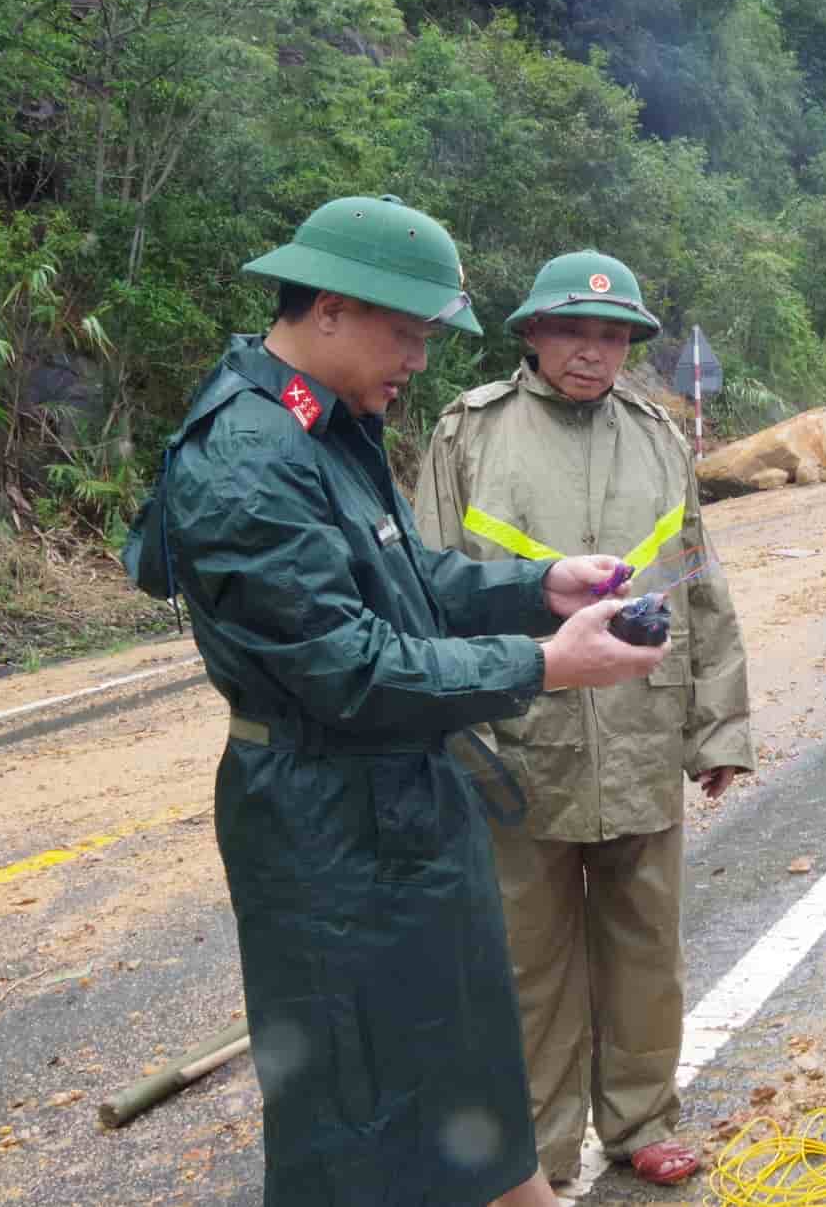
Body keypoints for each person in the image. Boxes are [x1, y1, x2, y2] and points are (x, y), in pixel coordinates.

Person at [122, 197, 664, 1207]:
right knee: (356, 1110)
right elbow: (350, 668)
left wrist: (535, 590)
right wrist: (543, 664)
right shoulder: (246, 461)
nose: (418, 358)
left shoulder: (330, 426)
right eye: (407, 332)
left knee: (464, 1066)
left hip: (403, 801)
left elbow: (406, 578)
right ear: (330, 309)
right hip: (324, 829)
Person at [413, 250, 752, 1189]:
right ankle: (539, 1147)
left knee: (647, 943)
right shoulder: (469, 433)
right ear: (531, 333)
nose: (592, 352)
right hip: (517, 737)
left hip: (642, 730)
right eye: (573, 330)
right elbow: (427, 584)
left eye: (612, 336)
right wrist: (439, 720)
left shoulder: (655, 436)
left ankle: (641, 1116)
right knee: (527, 959)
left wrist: (717, 725)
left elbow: (699, 582)